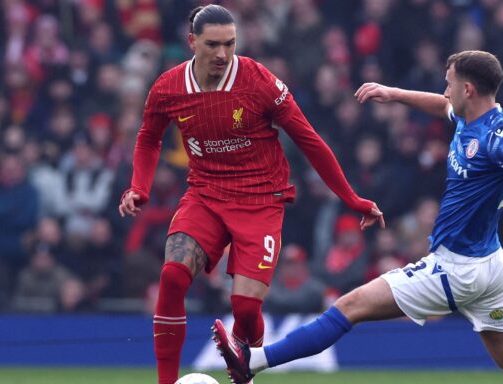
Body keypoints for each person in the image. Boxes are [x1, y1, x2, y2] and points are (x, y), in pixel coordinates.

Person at [213, 50, 503, 384]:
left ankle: (253, 361)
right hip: (486, 265)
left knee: (350, 306)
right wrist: (393, 93)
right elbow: (440, 105)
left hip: (458, 268)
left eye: (448, 83)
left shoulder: (496, 138)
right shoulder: (472, 114)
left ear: (467, 88)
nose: (444, 91)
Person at [117, 5, 384, 384]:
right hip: (205, 194)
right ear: (192, 42)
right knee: (173, 276)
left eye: (230, 43)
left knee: (244, 307)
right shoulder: (169, 87)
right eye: (213, 44)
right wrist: (139, 187)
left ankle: (245, 376)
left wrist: (352, 198)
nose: (223, 54)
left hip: (260, 199)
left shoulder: (258, 82)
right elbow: (148, 137)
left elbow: (309, 141)